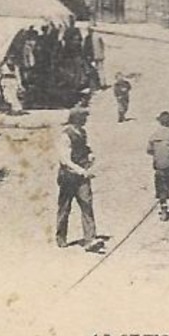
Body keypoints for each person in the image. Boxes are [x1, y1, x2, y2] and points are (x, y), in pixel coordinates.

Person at [56, 108, 106, 252]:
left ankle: (90, 239)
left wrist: (90, 154)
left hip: (82, 177)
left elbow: (84, 148)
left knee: (87, 204)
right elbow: (64, 159)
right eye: (83, 117)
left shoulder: (82, 132)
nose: (86, 120)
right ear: (76, 119)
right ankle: (61, 237)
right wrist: (81, 171)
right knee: (65, 207)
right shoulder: (65, 136)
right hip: (68, 176)